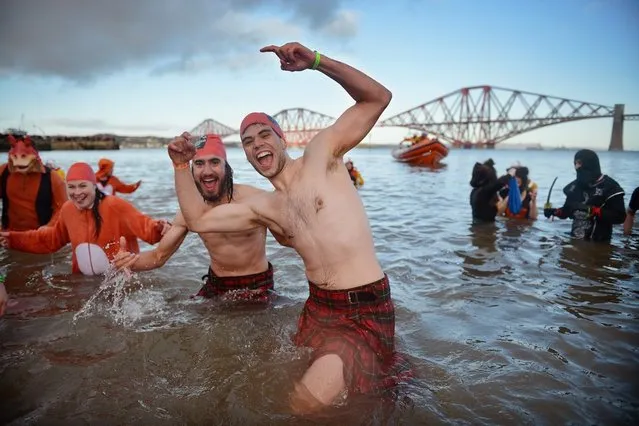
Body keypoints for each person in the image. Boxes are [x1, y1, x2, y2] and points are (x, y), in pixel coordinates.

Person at [168, 42, 408, 413]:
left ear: (282, 138)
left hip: (364, 304)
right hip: (319, 307)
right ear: (246, 156)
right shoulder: (267, 208)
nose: (256, 144)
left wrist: (315, 61)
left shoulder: (322, 154)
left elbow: (377, 98)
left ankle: (383, 376)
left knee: (305, 403)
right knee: (303, 384)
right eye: (248, 142)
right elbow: (199, 220)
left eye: (264, 134)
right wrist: (181, 166)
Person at [113, 134, 281, 301]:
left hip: (257, 285)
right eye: (199, 163)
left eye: (215, 162)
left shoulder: (255, 199)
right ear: (191, 170)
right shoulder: (191, 211)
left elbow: (292, 238)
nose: (207, 171)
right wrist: (130, 262)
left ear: (226, 167)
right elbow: (158, 257)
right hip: (216, 285)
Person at [0, 162, 169, 275]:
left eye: (82, 186)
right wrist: (14, 239)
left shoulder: (114, 205)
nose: (77, 193)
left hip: (118, 282)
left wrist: (162, 227)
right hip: (82, 282)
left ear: (94, 186)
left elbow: (147, 229)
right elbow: (50, 240)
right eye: (71, 187)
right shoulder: (67, 209)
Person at [544, 149, 626, 241]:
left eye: (579, 163)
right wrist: (554, 212)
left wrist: (591, 209)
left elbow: (620, 217)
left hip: (598, 244)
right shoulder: (574, 187)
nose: (576, 166)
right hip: (574, 241)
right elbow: (567, 211)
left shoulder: (610, 186)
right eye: (575, 163)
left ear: (590, 163)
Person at [0, 134, 67, 231]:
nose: (19, 161)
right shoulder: (3, 172)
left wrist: (49, 227)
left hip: (41, 236)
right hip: (9, 235)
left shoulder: (52, 177)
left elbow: (63, 209)